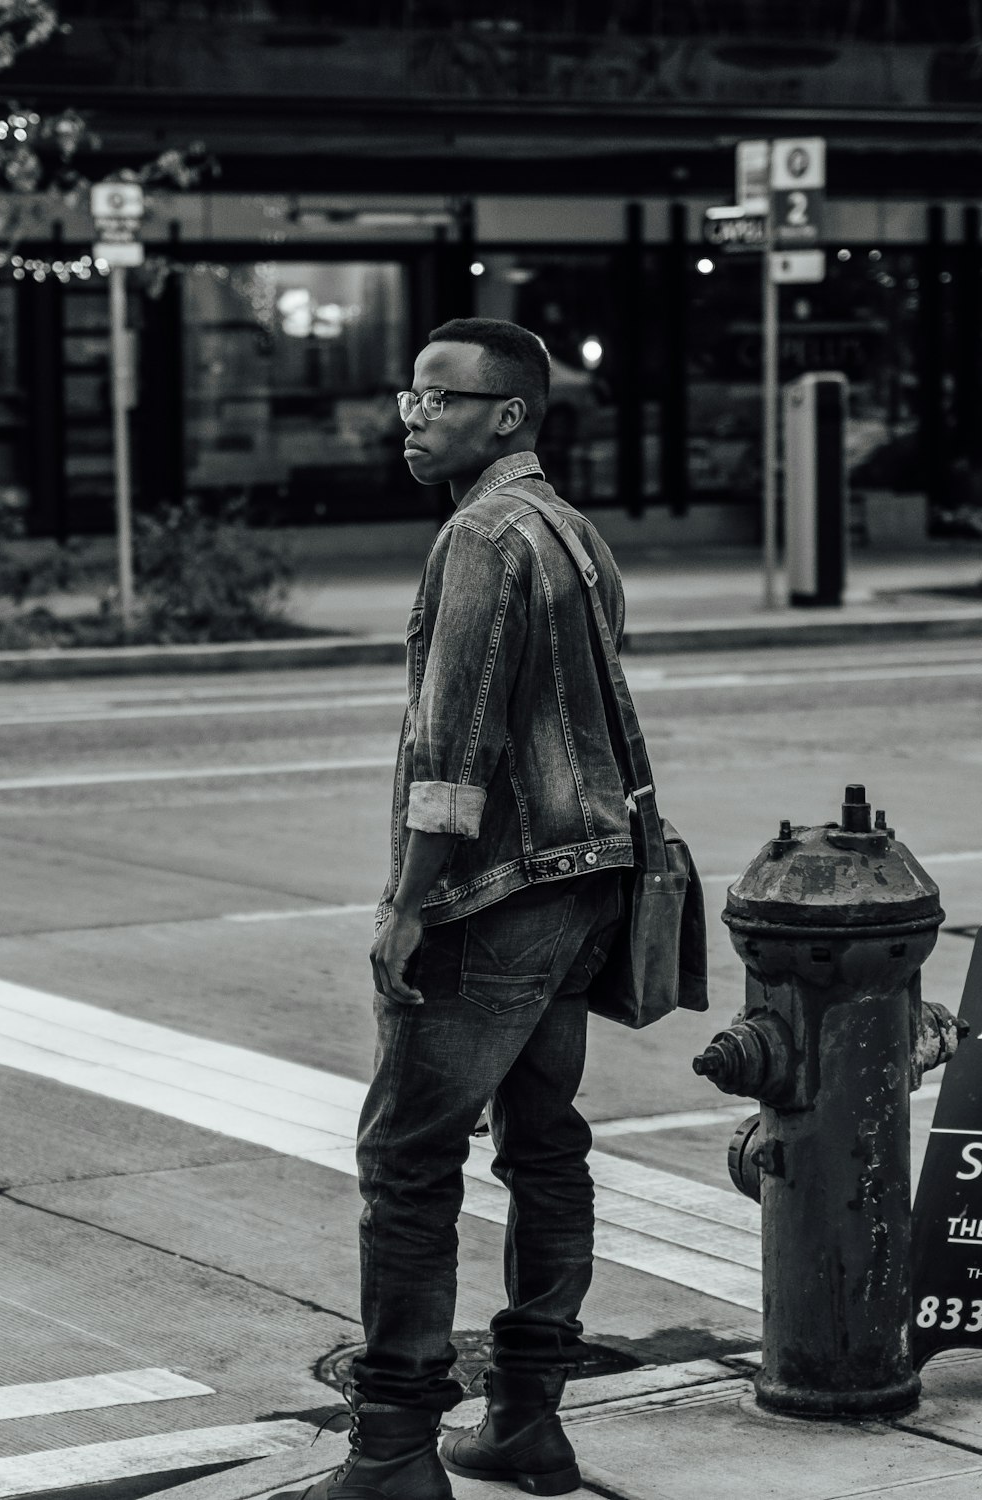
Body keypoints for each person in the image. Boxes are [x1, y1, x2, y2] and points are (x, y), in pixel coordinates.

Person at [274, 318, 635, 1500]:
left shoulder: (482, 535)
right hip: (585, 882)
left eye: (439, 397)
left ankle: (390, 1452)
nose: (412, 415)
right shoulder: (570, 531)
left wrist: (406, 903)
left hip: (497, 891)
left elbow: (455, 741)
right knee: (544, 1147)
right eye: (409, 394)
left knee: (408, 1162)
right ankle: (527, 1423)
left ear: (508, 413)